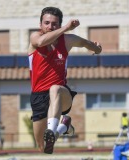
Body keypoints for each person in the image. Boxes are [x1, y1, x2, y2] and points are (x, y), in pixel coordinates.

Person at [28, 6, 102, 154]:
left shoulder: (67, 40)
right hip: (38, 96)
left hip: (61, 94)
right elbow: (42, 42)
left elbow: (87, 44)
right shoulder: (35, 37)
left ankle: (52, 129)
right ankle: (63, 127)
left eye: (54, 24)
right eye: (47, 23)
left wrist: (97, 49)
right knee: (42, 147)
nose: (50, 26)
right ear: (40, 25)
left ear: (59, 25)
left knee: (54, 88)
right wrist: (66, 27)